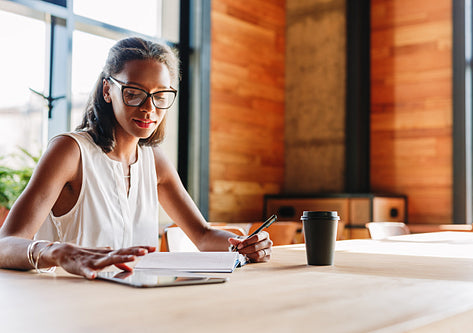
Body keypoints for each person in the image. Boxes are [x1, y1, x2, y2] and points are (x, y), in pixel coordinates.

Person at [0, 37, 272, 279]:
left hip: (134, 308)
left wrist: (245, 244)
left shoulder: (154, 161)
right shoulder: (70, 151)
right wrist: (59, 252)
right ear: (108, 90)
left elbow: (202, 235)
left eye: (160, 96)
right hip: (66, 310)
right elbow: (5, 244)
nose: (148, 109)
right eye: (133, 93)